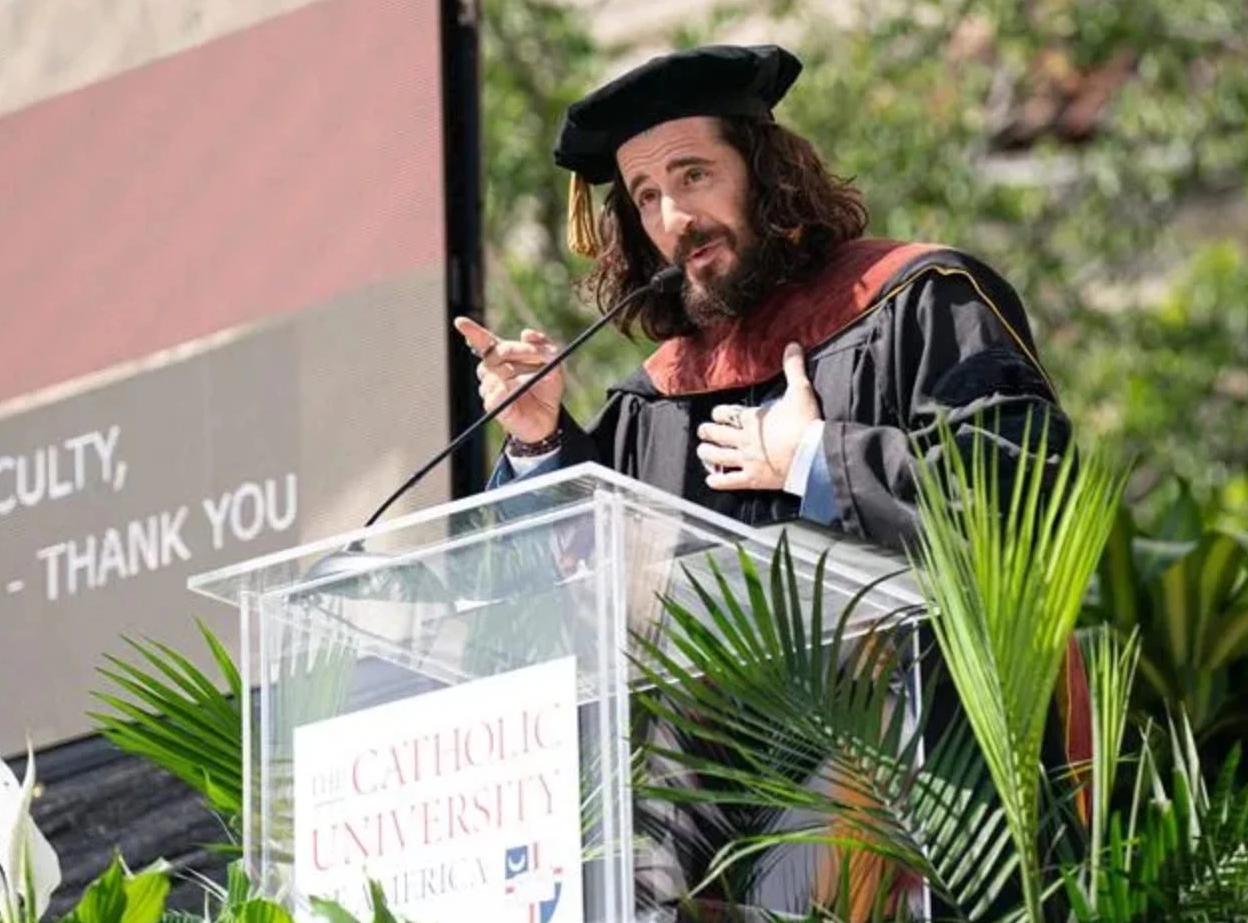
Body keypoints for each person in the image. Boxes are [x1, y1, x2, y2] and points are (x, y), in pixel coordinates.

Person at [454, 43, 1070, 552]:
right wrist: (541, 442)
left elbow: (1018, 501)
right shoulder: (655, 404)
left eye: (694, 175)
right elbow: (583, 608)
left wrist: (812, 457)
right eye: (645, 195)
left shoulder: (920, 303)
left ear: (767, 174)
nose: (674, 218)